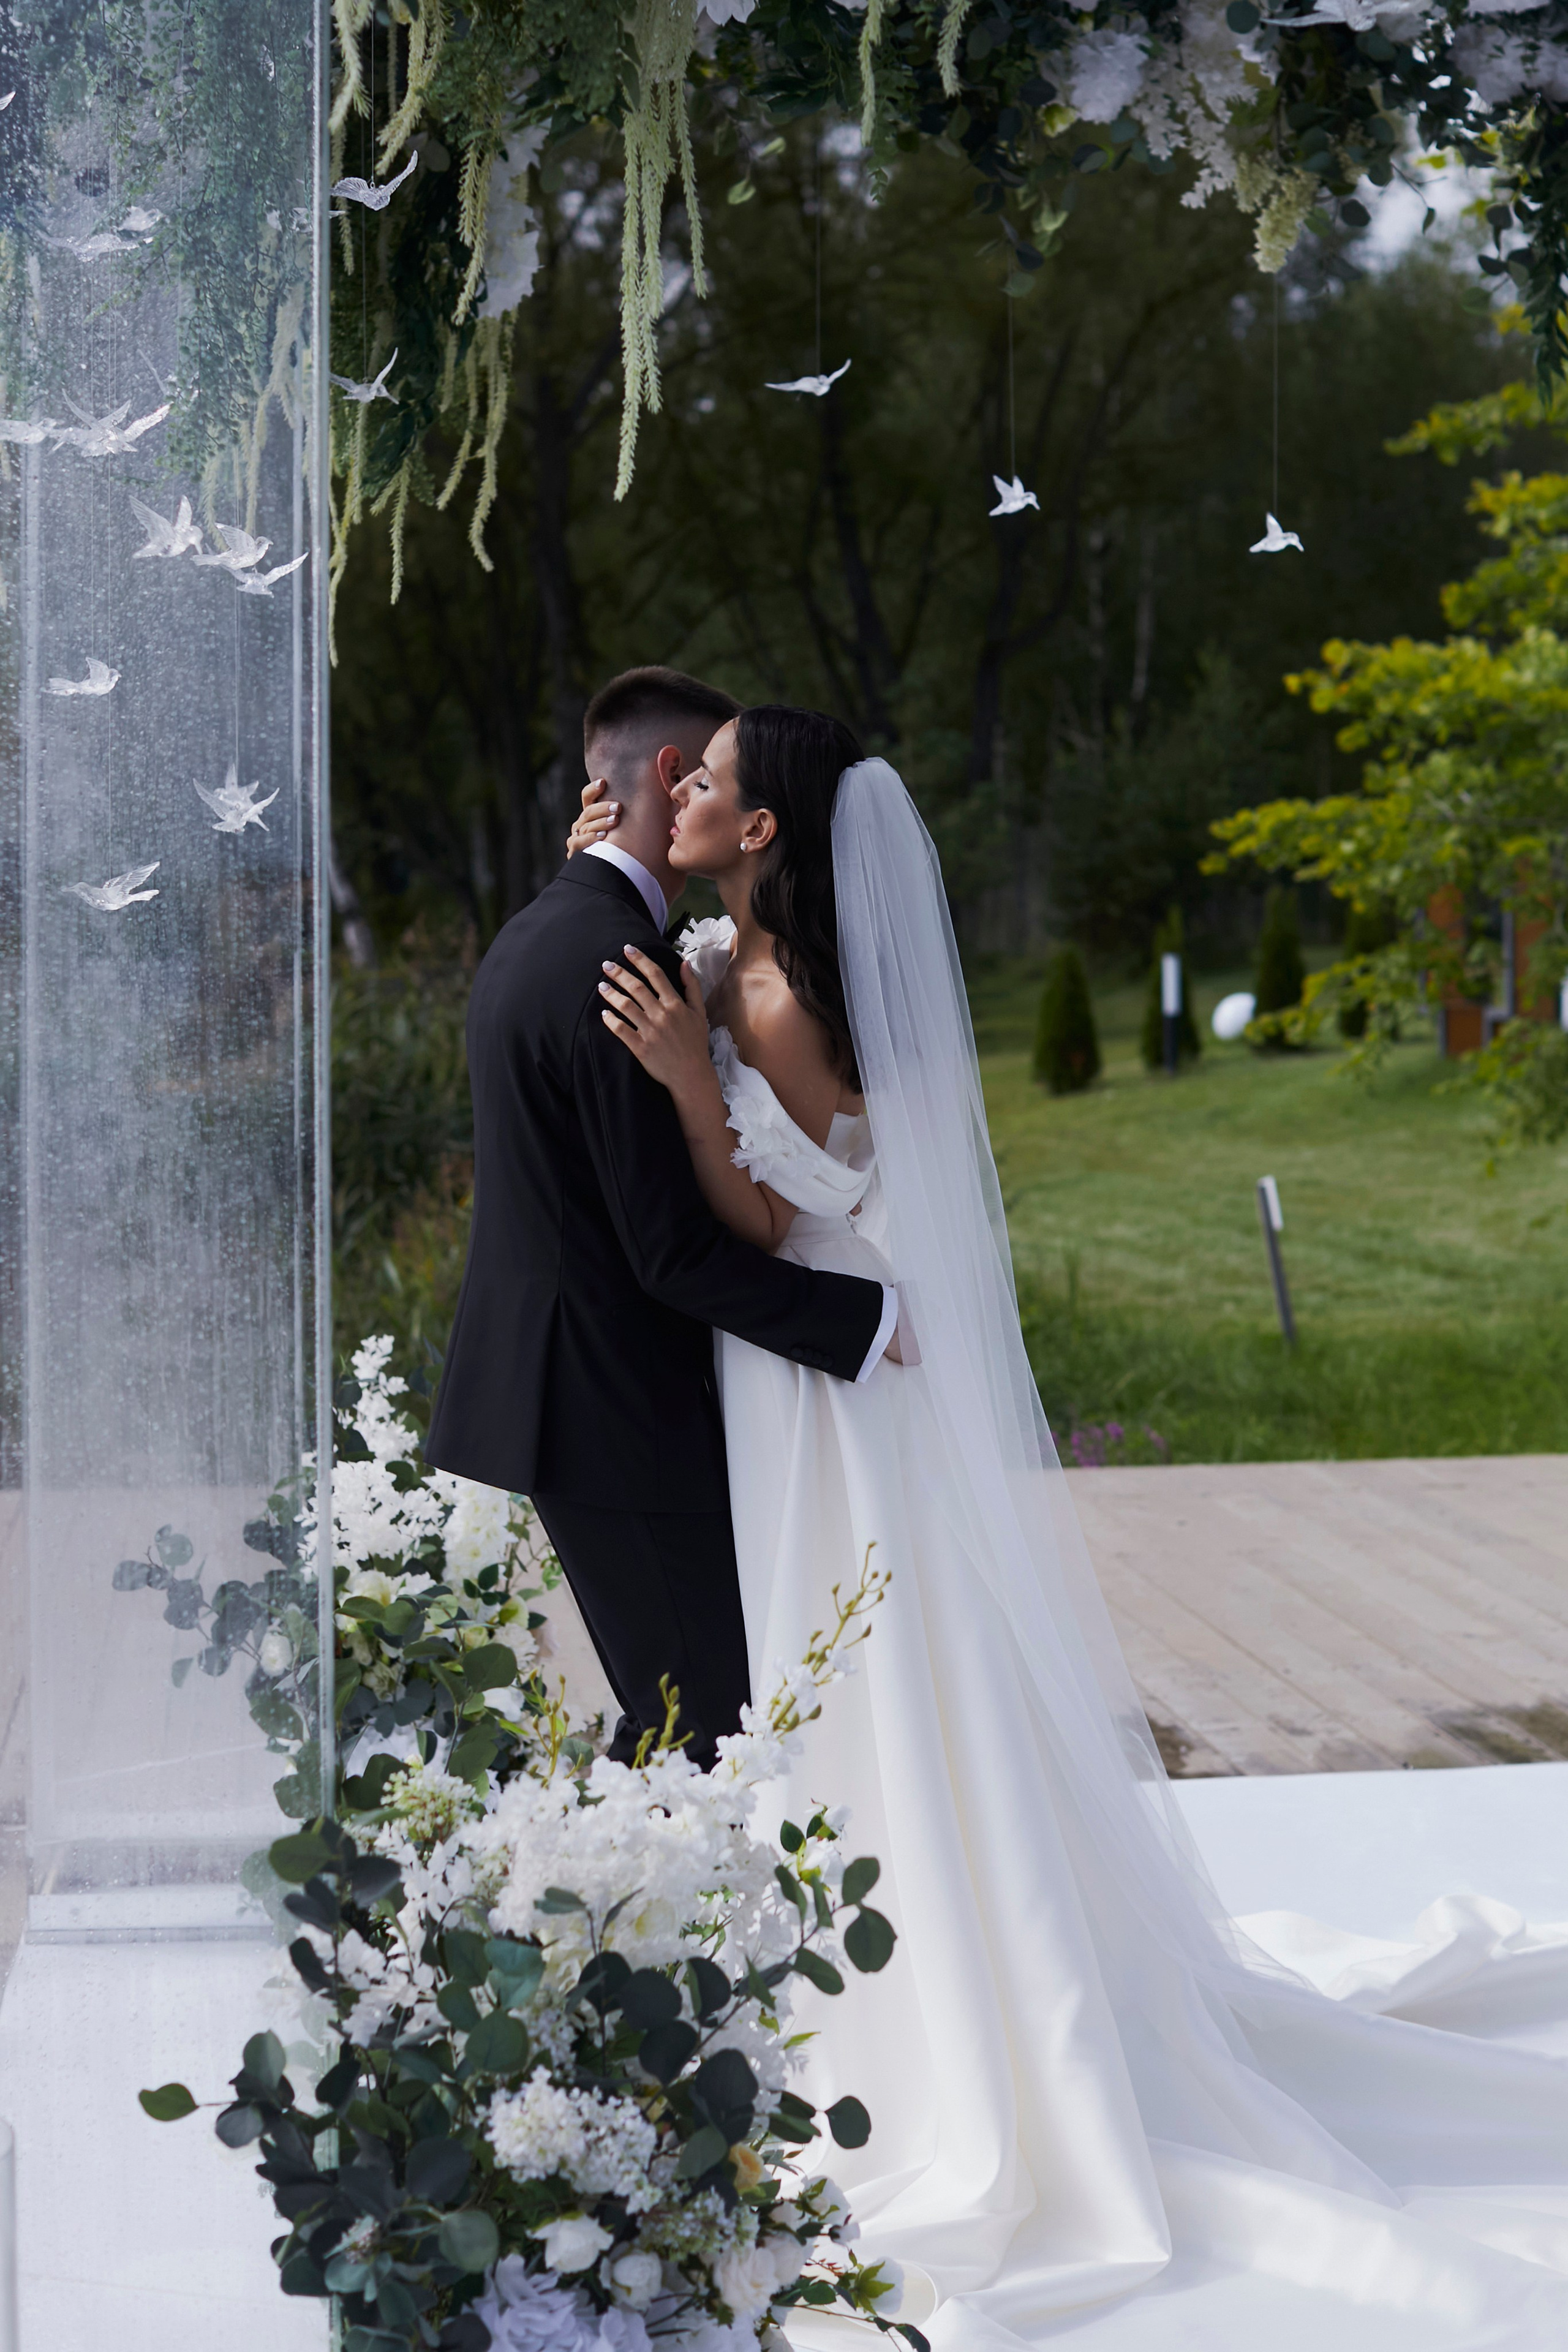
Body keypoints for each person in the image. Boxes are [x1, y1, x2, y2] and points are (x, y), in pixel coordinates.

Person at [572, 709, 1568, 2350]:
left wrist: (693, 1086)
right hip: (814, 1375)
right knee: (873, 1675)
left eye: (708, 779)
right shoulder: (739, 964)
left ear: (763, 838)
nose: (676, 787)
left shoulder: (766, 1001)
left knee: (875, 1671)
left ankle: (934, 2012)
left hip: (827, 1382)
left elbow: (777, 1212)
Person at [423, 668, 896, 1773]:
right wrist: (860, 1325)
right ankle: (652, 1933)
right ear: (674, 778)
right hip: (612, 1406)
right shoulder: (619, 966)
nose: (692, 807)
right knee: (706, 1725)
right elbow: (672, 1250)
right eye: (692, 781)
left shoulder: (559, 932)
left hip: (593, 1396)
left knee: (701, 1708)